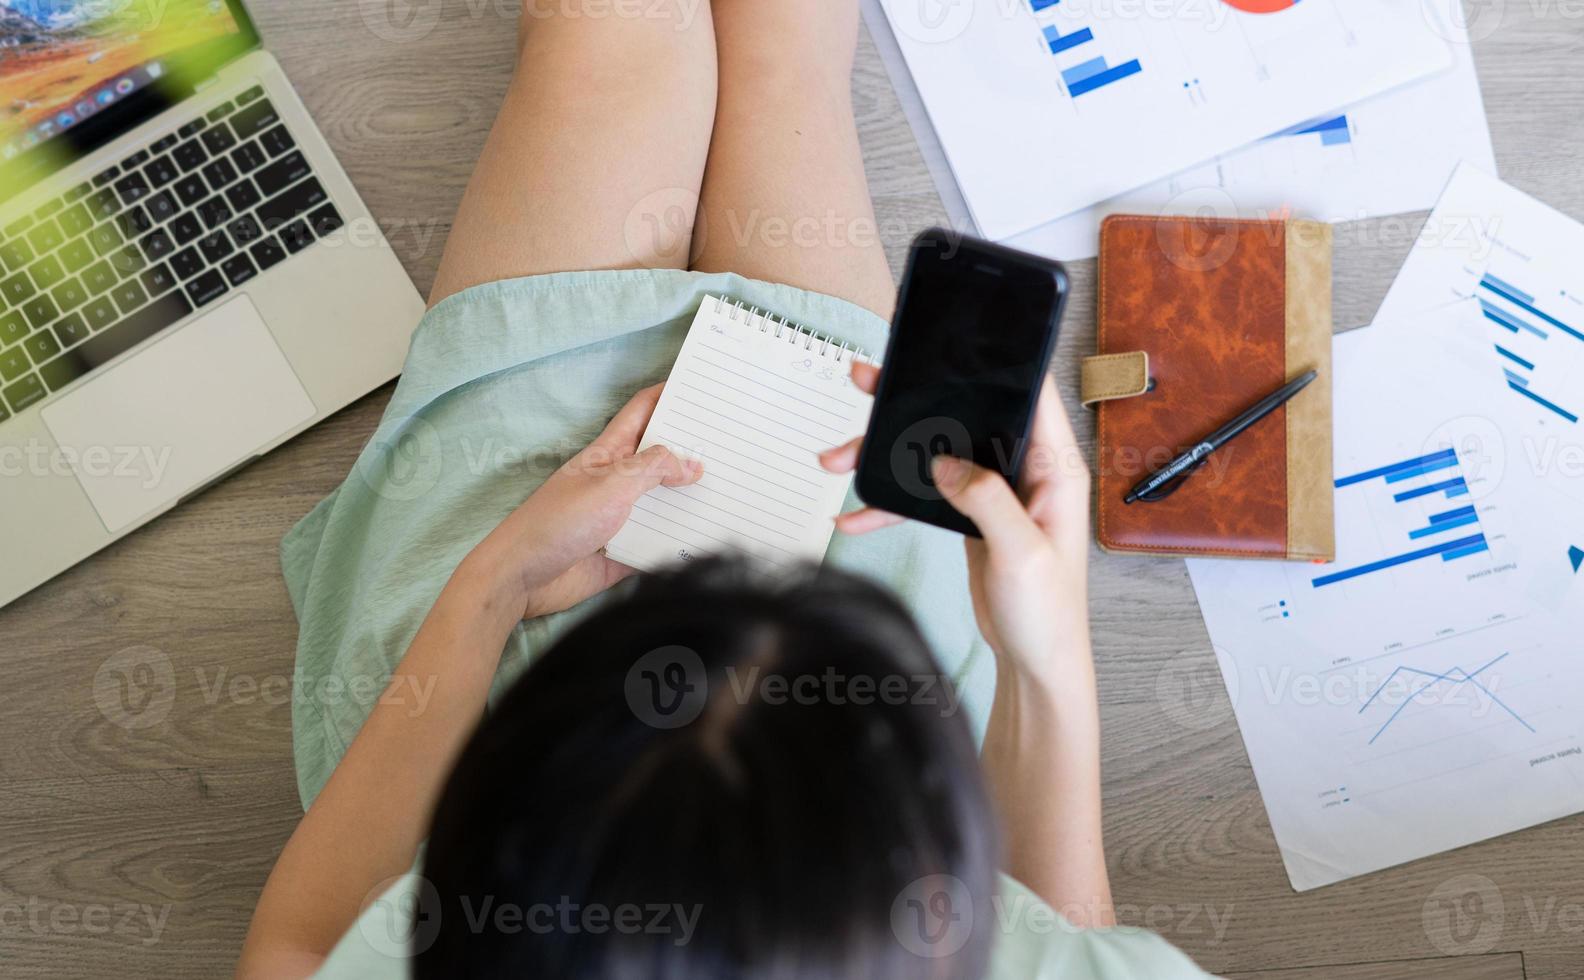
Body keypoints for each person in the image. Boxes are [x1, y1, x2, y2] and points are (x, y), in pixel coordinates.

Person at [236, 1, 1215, 977]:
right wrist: (1043, 653)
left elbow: (299, 941)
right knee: (784, 62)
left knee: (615, 34)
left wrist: (497, 583)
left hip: (474, 662)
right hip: (881, 587)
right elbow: (1070, 940)